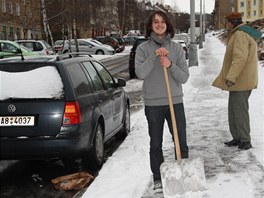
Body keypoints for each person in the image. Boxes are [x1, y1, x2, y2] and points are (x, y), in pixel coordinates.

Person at [135, 10, 189, 190]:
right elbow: (140, 73)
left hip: (175, 101)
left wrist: (170, 65)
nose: (159, 24)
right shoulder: (143, 49)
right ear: (150, 25)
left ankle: (184, 174)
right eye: (155, 22)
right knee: (156, 143)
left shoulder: (176, 48)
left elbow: (184, 77)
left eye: (163, 21)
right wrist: (154, 56)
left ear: (168, 25)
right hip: (153, 104)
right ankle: (158, 178)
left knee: (180, 141)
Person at [212, 12, 261, 150]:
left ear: (232, 22)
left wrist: (231, 77)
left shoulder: (240, 35)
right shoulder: (240, 33)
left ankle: (245, 140)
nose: (226, 24)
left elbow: (240, 58)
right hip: (240, 81)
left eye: (227, 22)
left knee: (240, 111)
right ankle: (238, 137)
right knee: (234, 110)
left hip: (241, 81)